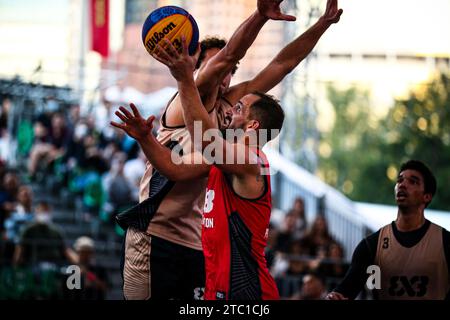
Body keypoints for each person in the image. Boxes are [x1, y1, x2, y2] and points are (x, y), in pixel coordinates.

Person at [116, 0, 342, 300]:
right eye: (216, 66)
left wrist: (321, 25)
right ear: (196, 68)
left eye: (231, 71)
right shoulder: (183, 102)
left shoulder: (235, 113)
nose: (226, 75)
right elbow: (173, 169)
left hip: (198, 240)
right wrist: (259, 17)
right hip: (155, 233)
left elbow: (282, 65)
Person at [327, 160, 450, 300]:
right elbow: (346, 289)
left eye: (413, 181)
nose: (402, 184)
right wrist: (334, 296)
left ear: (426, 196)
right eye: (400, 180)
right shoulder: (371, 245)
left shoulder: (445, 242)